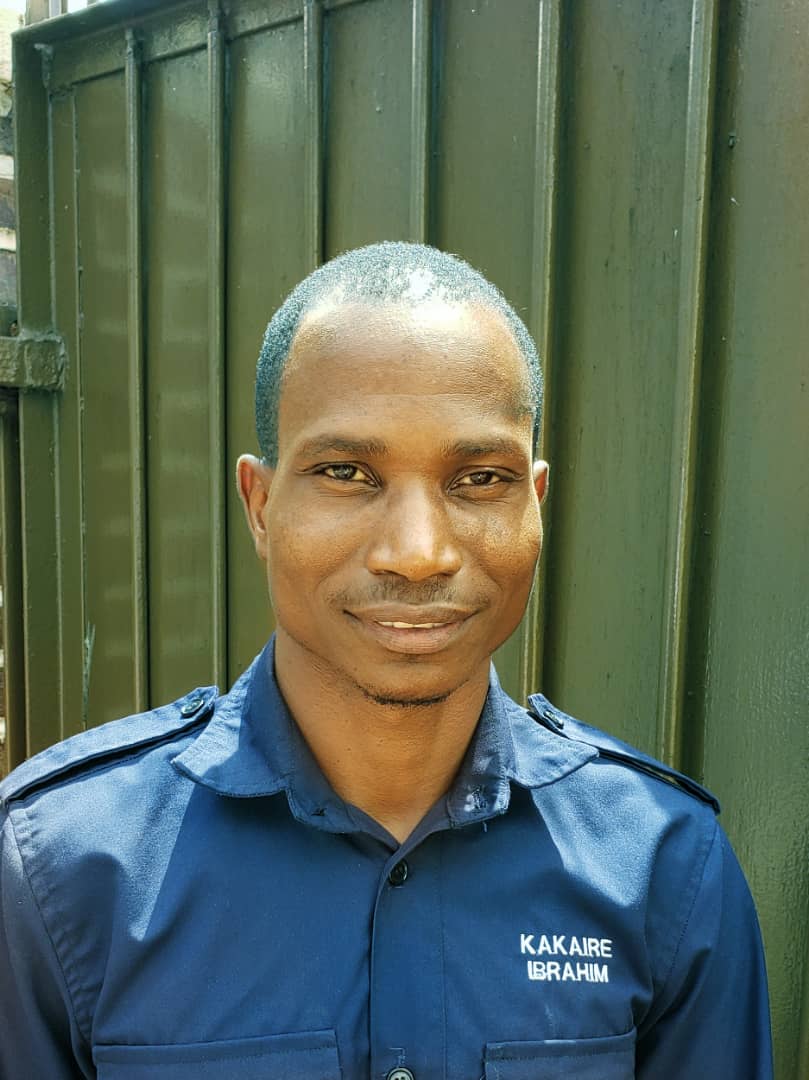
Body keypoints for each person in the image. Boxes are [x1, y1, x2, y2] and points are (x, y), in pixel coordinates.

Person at [0, 243, 771, 1078]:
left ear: (535, 505)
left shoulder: (663, 867)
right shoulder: (58, 874)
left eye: (480, 478)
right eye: (346, 472)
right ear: (260, 506)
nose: (417, 553)